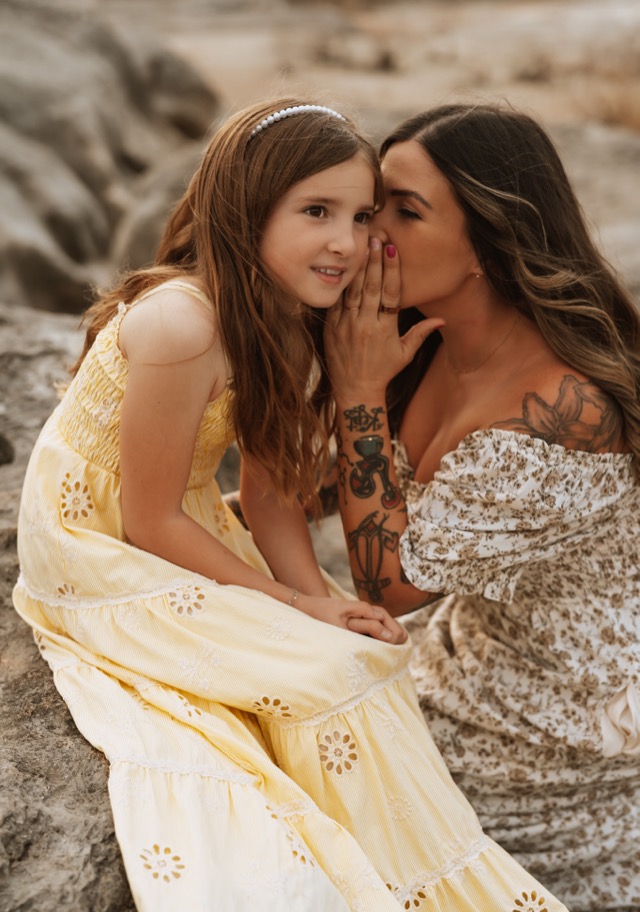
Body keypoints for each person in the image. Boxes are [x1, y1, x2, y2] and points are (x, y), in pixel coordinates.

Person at [13, 97, 569, 912]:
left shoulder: (285, 318)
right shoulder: (182, 324)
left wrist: (318, 601)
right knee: (322, 672)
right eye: (317, 212)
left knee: (362, 653)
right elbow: (146, 518)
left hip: (178, 521)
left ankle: (423, 877)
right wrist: (292, 607)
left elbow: (270, 493)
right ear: (247, 211)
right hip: (94, 540)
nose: (348, 242)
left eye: (362, 216)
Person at [324, 101, 640, 912]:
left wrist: (357, 392)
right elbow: (331, 485)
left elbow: (390, 584)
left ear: (490, 240)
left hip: (553, 735)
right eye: (372, 207)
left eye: (405, 211)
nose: (371, 234)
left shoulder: (566, 412)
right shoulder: (425, 338)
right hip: (466, 653)